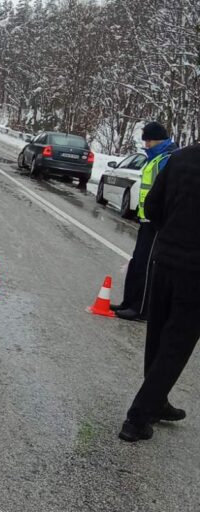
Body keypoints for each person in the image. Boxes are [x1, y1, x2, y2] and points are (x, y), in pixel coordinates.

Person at [118, 143, 200, 442]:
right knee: (176, 345)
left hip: (164, 259)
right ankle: (138, 418)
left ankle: (157, 400)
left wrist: (173, 229)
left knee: (158, 333)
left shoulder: (179, 158)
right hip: (195, 272)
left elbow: (152, 205)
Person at [111, 122, 177, 321]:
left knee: (148, 266)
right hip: (145, 219)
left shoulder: (167, 159)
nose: (146, 144)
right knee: (137, 262)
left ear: (159, 139)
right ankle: (129, 302)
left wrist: (160, 219)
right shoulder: (155, 158)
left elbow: (169, 193)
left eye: (148, 140)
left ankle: (141, 310)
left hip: (157, 223)